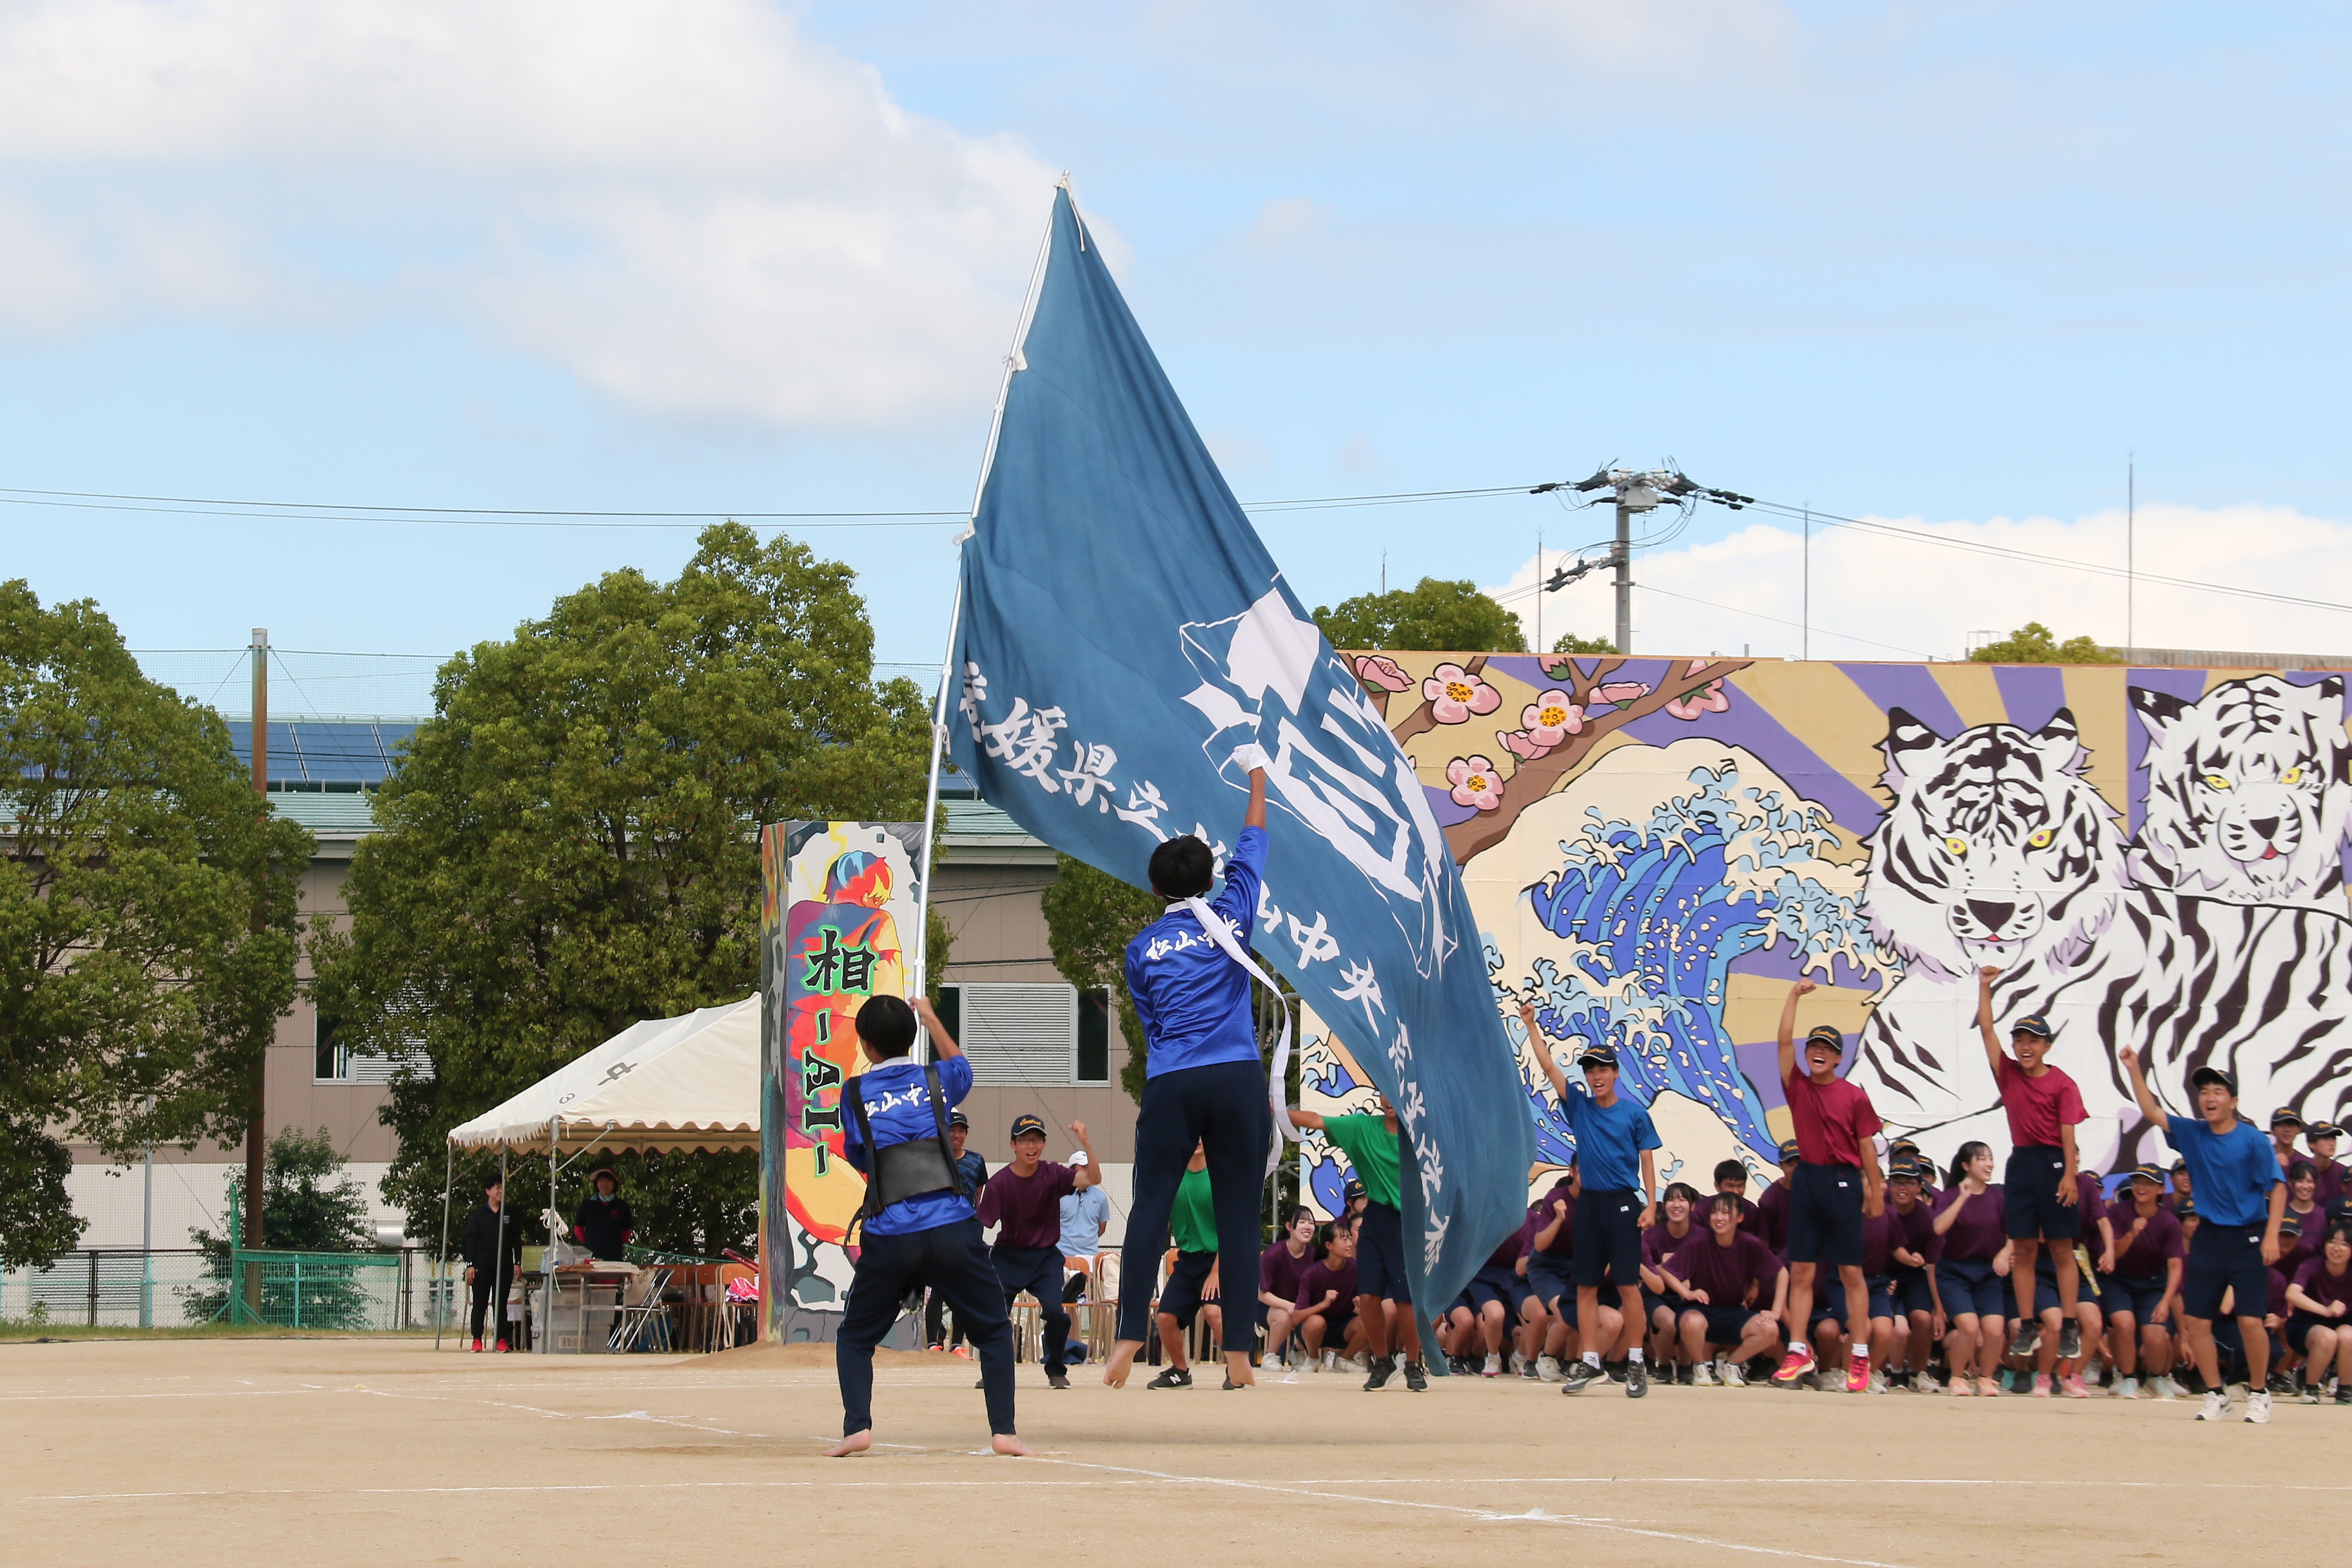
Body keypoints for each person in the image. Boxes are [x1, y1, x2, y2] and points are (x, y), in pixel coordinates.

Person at [1108, 763, 1275, 1392]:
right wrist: (1257, 784)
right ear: (1212, 878)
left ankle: (1128, 1331)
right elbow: (1254, 844)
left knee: (1151, 1205)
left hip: (1173, 1078)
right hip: (1235, 1075)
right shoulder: (1231, 915)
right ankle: (1237, 1354)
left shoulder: (1141, 948)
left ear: (1155, 887)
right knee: (1238, 1214)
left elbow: (1150, 1023)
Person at [830, 993, 1023, 1458]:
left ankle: (857, 1426)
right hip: (952, 1226)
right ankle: (1005, 1433)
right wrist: (934, 1018)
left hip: (891, 1232)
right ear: (913, 1036)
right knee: (994, 1331)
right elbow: (964, 1067)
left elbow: (859, 1154)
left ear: (866, 1046)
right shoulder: (936, 1080)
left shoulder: (854, 1092)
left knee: (855, 1337)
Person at [2119, 1046, 2288, 1424]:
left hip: (2248, 1235)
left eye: (2218, 1092)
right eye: (2204, 1092)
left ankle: (2259, 1394)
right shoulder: (2193, 1133)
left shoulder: (2252, 1140)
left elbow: (2277, 1187)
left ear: (2233, 1101)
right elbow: (2151, 1112)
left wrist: (2273, 1233)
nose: (2209, 1098)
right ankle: (2217, 1394)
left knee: (2249, 1321)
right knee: (2196, 1321)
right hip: (2210, 1235)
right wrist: (2133, 1069)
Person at [1520, 1002, 1663, 1398]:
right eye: (1590, 1070)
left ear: (1615, 1073)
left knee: (1628, 1285)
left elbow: (1648, 1158)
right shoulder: (1580, 1107)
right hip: (1589, 1207)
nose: (1596, 1076)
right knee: (1584, 1286)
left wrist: (1651, 1204)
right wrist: (1531, 1026)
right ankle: (1590, 1361)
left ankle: (1635, 1361)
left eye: (1602, 1069)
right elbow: (1549, 1068)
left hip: (1622, 1203)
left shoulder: (1634, 1114)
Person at [1772, 981, 1886, 1391]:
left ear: (1838, 1057)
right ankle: (1798, 1350)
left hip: (1842, 1181)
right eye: (1813, 1047)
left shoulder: (1854, 1096)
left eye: (1826, 1048)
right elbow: (1783, 1041)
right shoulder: (1798, 1086)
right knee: (1801, 1269)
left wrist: (1875, 1189)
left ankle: (1859, 1354)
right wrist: (1793, 997)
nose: (1817, 1052)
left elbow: (1867, 1145)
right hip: (1808, 1180)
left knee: (1851, 1271)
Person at [1972, 969, 2088, 1366]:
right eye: (2019, 1040)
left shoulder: (2063, 1084)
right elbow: (1986, 1028)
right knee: (2023, 1249)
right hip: (2021, 1161)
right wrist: (1985, 986)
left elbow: (2068, 1130)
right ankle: (2026, 1324)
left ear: (2046, 1046)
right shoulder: (2008, 1074)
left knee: (2060, 1248)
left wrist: (2070, 1173)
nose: (2024, 1047)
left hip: (2053, 1160)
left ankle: (2069, 1323)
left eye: (2033, 1041)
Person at [1289, 1095, 1428, 1391]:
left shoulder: (1421, 1132)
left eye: (1395, 1092)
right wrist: (1274, 1108)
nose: (1390, 1099)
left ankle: (1414, 1364)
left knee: (1406, 1299)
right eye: (1384, 1092)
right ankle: (1382, 1362)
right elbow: (1316, 1120)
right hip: (1374, 1218)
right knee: (1368, 1297)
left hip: (1408, 1219)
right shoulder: (1362, 1127)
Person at [978, 1113, 1099, 1391]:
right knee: (994, 1312)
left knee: (1057, 1314)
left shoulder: (1053, 1174)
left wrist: (1086, 1143)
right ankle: (993, 1369)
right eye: (1024, 1141)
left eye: (1036, 1140)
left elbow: (1093, 1178)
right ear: (1013, 1145)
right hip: (1008, 1256)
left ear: (1043, 1144)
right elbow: (979, 1225)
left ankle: (1056, 1368)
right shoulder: (1000, 1184)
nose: (1030, 1146)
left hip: (1045, 1258)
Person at [1661, 1193, 1785, 1384]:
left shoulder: (1750, 1243)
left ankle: (1732, 1366)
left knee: (1769, 1329)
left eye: (1725, 1213)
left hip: (1734, 1312)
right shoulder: (1698, 1242)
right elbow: (1667, 1271)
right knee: (1691, 1322)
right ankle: (1700, 1367)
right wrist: (1686, 1292)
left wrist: (1776, 1311)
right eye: (1714, 1212)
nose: (1718, 1218)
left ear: (1740, 1218)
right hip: (1700, 1310)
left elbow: (1782, 1272)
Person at [2100, 1162, 2188, 1400]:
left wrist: (2166, 1302)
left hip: (2152, 1284)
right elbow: (2114, 1253)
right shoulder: (2118, 1213)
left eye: (2149, 1183)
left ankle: (2155, 1378)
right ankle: (2128, 1378)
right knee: (2124, 1324)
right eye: (2138, 1181)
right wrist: (2132, 1233)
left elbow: (2175, 1266)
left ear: (2161, 1189)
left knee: (2156, 1336)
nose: (2141, 1187)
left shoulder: (2169, 1222)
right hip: (2118, 1280)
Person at [1931, 1141, 2012, 1396]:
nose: (1989, 1164)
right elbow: (1938, 1228)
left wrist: (2005, 1253)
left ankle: (1986, 1378)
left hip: (1988, 1272)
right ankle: (1957, 1378)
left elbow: (2015, 1234)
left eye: (1990, 1158)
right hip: (1954, 1271)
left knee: (1995, 1330)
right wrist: (1963, 1198)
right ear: (1966, 1166)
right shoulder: (1950, 1196)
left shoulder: (1999, 1196)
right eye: (1982, 1159)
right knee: (1968, 1327)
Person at [1148, 1144, 1224, 1388]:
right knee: (1166, 1319)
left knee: (1214, 1314)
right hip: (1188, 1259)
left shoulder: (1220, 1174)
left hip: (1220, 1258)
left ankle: (1236, 1368)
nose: (1199, 1140)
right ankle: (1180, 1372)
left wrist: (1216, 1272)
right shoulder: (1172, 1175)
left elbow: (1233, 1227)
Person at [926, 1110, 990, 1354]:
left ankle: (957, 1345)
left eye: (961, 1130)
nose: (956, 1135)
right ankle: (933, 1342)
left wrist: (973, 1222)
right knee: (938, 1289)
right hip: (938, 1231)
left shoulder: (976, 1160)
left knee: (964, 1291)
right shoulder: (933, 1158)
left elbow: (979, 1193)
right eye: (952, 1129)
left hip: (966, 1234)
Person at [1883, 1159, 1945, 1393]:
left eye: (1909, 1183)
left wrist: (1939, 1309)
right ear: (1889, 1185)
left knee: (1923, 1319)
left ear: (1920, 1186)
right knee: (1884, 1320)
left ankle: (1918, 1373)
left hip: (1915, 1276)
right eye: (1897, 1182)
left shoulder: (1928, 1218)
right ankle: (1881, 1371)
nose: (1902, 1188)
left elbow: (1932, 1266)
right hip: (1883, 1274)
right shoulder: (1879, 1210)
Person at [1640, 1184, 1703, 1380]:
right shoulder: (1652, 1236)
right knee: (1669, 1323)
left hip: (1689, 1292)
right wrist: (1662, 1266)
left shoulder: (1702, 1236)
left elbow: (1708, 1271)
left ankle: (1686, 1365)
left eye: (1682, 1200)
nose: (1676, 1205)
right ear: (1664, 1205)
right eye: (1671, 1200)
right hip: (1657, 1294)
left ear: (1692, 1206)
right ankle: (1664, 1364)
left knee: (1689, 1318)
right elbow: (1642, 1273)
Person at [2284, 1223, 2352, 1406]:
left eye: (2345, 1244)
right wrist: (2325, 1309)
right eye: (2332, 1242)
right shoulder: (2311, 1265)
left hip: (2345, 1323)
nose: (2337, 1248)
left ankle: (2345, 1389)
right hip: (2306, 1325)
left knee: (2348, 1336)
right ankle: (2310, 1387)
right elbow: (2292, 1293)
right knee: (2327, 1337)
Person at [462, 1173, 526, 1353]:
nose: (500, 1190)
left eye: (502, 1187)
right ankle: (477, 1339)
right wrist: (471, 1265)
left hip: (504, 1262)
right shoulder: (477, 1215)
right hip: (482, 1263)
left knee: (501, 1303)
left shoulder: (510, 1213)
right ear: (488, 1191)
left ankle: (500, 1339)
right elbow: (472, 1241)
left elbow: (516, 1239)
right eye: (497, 1187)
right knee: (480, 1302)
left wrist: (517, 1262)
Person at [1294, 1221, 1366, 1369]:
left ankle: (1345, 1359)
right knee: (1316, 1322)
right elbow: (1296, 1317)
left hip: (1343, 1328)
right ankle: (1313, 1358)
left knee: (1370, 1320)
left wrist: (1361, 1305)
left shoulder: (1357, 1269)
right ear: (1329, 1246)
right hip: (1312, 1331)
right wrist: (1323, 1304)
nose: (1349, 1244)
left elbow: (1364, 1308)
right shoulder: (1312, 1273)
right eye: (1343, 1240)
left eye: (1349, 1239)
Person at [1258, 1206, 1318, 1370]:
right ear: (1289, 1227)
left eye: (1311, 1223)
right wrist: (1289, 1306)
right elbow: (1262, 1294)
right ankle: (1270, 1355)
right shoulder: (1273, 1253)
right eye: (1302, 1222)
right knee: (1285, 1316)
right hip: (1268, 1307)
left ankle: (1300, 1351)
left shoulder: (1315, 1255)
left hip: (1300, 1307)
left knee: (1317, 1320)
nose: (1307, 1226)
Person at [1058, 1150, 1113, 1312]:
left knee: (1094, 1305)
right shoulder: (1059, 1195)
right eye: (1083, 1168)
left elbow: (1101, 1227)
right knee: (1064, 1306)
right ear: (1072, 1170)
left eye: (1090, 1167)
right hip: (1062, 1258)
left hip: (1091, 1259)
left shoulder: (1101, 1198)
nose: (1088, 1171)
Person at [571, 1167, 635, 1262]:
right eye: (601, 1180)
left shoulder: (622, 1206)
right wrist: (588, 1244)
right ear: (596, 1184)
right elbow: (578, 1229)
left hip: (614, 1256)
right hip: (591, 1256)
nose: (604, 1184)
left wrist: (616, 1244)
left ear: (614, 1183)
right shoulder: (587, 1205)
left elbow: (627, 1230)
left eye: (608, 1180)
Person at [1756, 1141, 1799, 1255]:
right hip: (1781, 1262)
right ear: (1780, 1165)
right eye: (1790, 1165)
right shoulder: (1769, 1200)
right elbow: (1764, 1242)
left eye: (1800, 1164)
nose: (1796, 1169)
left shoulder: (1815, 1192)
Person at [1709, 1159, 1767, 1235]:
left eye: (1740, 1186)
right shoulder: (1703, 1209)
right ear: (1717, 1186)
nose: (1736, 1191)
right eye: (1730, 1186)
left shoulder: (1753, 1212)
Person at [2307, 1123, 2346, 1206]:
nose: (2332, 1144)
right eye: (2326, 1139)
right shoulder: (2302, 1170)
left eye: (2333, 1139)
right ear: (2311, 1144)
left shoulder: (2343, 1172)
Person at [2269, 1110, 2306, 1175]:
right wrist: (2271, 1164)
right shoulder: (2261, 1157)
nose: (2287, 1130)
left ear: (2299, 1130)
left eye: (2291, 1125)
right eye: (2281, 1125)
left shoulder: (2306, 1163)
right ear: (2272, 1130)